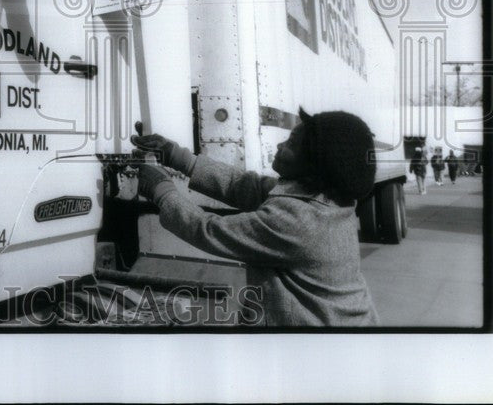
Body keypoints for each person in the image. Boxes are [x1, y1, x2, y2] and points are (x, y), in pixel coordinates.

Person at [131, 108, 379, 327]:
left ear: (314, 165)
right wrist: (177, 156)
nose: (281, 146)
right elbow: (242, 184)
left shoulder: (300, 222)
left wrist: (162, 191)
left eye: (292, 144)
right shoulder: (322, 200)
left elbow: (209, 230)